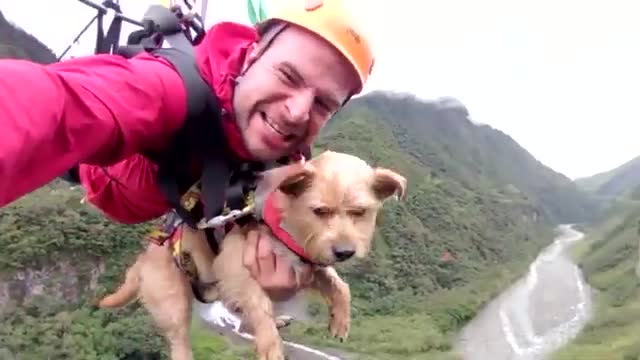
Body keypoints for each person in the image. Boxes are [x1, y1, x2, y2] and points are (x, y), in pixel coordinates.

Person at [0, 0, 374, 299]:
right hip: (96, 171)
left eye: (323, 103)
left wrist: (286, 281)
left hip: (181, 209)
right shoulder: (167, 92)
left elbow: (295, 230)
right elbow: (54, 106)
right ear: (252, 54)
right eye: (287, 75)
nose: (297, 111)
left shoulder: (293, 160)